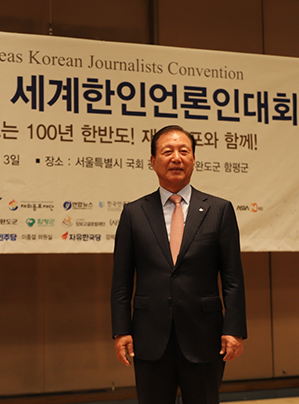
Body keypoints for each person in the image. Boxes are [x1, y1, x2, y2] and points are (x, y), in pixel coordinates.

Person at [110, 125, 247, 404]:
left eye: (184, 151)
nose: (176, 158)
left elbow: (233, 278)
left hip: (204, 335)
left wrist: (234, 329)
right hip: (149, 336)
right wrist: (121, 330)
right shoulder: (134, 213)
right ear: (152, 161)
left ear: (193, 160)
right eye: (167, 151)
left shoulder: (219, 210)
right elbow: (121, 281)